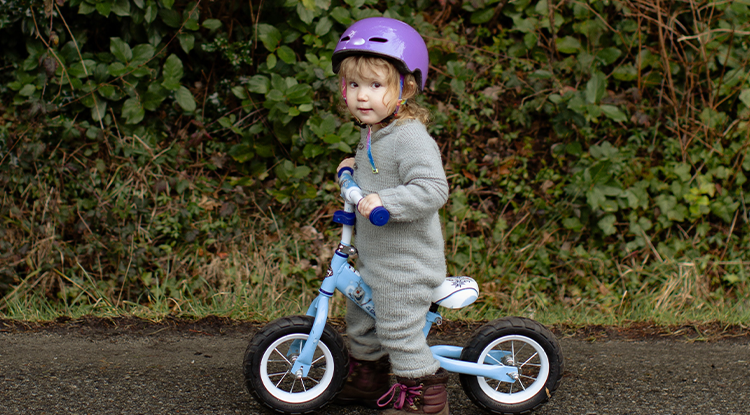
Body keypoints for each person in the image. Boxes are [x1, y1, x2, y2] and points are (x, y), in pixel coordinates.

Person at [331, 17, 451, 415]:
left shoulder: (410, 137)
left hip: (407, 265)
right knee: (361, 322)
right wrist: (351, 169)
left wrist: (384, 201)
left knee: (398, 328)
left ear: (406, 87)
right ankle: (369, 379)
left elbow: (433, 189)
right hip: (374, 259)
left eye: (375, 85)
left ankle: (425, 398)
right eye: (353, 85)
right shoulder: (372, 132)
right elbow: (370, 170)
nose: (361, 96)